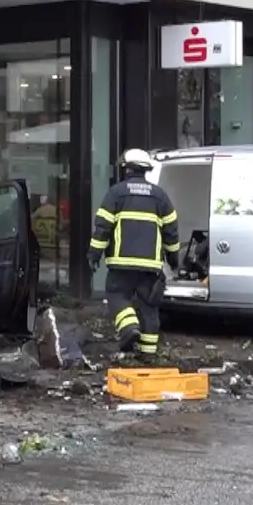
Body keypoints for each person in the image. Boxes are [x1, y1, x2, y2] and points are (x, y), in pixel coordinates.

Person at [88, 148, 180, 359]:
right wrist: (173, 259)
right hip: (150, 266)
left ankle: (129, 328)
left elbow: (102, 227)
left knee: (117, 295)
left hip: (121, 264)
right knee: (149, 305)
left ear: (126, 168)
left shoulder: (116, 193)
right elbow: (171, 232)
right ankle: (147, 354)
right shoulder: (160, 196)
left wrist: (94, 254)